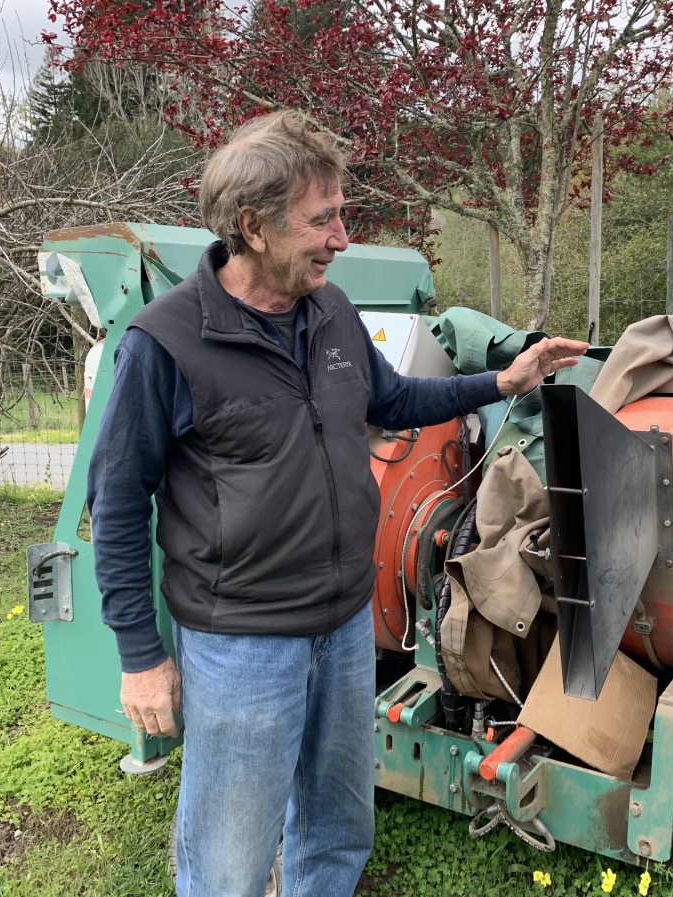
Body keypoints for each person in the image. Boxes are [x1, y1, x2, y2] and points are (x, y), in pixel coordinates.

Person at [87, 109, 588, 897]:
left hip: (347, 626)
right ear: (253, 226)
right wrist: (139, 655)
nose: (342, 236)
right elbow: (116, 504)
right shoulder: (166, 342)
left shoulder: (331, 313)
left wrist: (502, 382)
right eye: (322, 219)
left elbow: (393, 397)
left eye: (341, 214)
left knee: (336, 827)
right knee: (228, 859)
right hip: (241, 644)